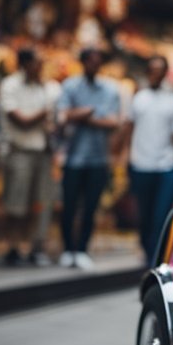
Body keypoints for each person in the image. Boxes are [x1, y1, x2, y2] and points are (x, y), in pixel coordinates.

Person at [56, 48, 121, 270]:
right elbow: (62, 116)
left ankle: (82, 249)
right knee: (69, 204)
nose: (95, 65)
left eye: (98, 61)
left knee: (90, 207)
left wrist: (81, 117)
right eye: (91, 61)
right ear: (83, 62)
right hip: (73, 158)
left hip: (98, 159)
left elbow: (113, 123)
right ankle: (67, 249)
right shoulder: (70, 86)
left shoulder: (110, 89)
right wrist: (88, 114)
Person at [125, 55, 173, 266]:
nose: (155, 73)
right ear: (147, 71)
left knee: (161, 215)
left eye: (160, 69)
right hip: (141, 165)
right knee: (144, 215)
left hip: (166, 166)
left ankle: (156, 260)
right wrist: (123, 155)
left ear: (164, 73)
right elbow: (129, 129)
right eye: (152, 69)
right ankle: (147, 251)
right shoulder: (138, 98)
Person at [0, 48, 60, 266]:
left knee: (42, 203)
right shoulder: (10, 85)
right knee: (16, 203)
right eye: (36, 63)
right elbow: (20, 120)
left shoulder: (50, 87)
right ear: (24, 64)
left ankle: (37, 246)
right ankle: (13, 247)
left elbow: (58, 118)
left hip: (44, 152)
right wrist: (45, 113)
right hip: (20, 152)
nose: (40, 68)